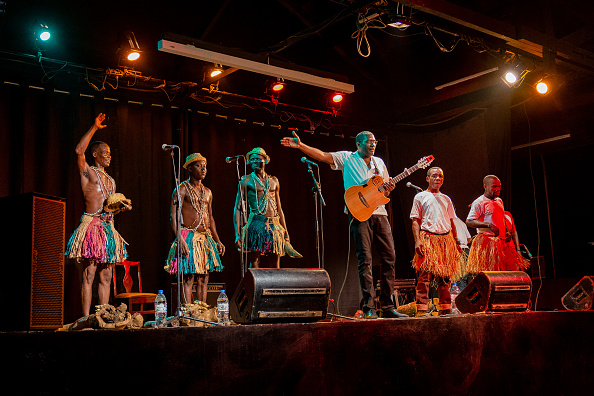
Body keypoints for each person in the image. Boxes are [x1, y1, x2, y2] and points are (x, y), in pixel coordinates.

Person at [281, 131, 407, 319]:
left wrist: (389, 189)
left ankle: (388, 307)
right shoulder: (347, 158)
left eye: (375, 142)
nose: (373, 145)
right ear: (358, 144)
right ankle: (369, 308)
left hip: (380, 213)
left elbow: (385, 193)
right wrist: (301, 146)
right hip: (359, 214)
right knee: (365, 261)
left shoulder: (379, 162)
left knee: (390, 258)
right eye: (369, 142)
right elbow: (323, 156)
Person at [65, 113, 132, 317]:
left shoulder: (111, 180)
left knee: (106, 276)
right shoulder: (88, 172)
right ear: (95, 154)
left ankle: (102, 317)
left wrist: (122, 206)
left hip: (108, 228)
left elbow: (109, 207)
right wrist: (94, 127)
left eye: (110, 153)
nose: (108, 155)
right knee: (89, 273)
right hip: (91, 225)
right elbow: (78, 150)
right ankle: (86, 318)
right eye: (105, 152)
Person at [165, 153, 225, 305]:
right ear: (190, 169)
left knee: (204, 277)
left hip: (205, 238)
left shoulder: (208, 192)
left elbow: (210, 218)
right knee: (189, 276)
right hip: (188, 236)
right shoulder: (182, 189)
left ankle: (202, 311)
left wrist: (218, 241)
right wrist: (180, 239)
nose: (203, 169)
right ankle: (188, 311)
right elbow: (174, 217)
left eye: (204, 166)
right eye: (199, 166)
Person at [410, 167, 463, 316]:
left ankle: (445, 309)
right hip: (428, 237)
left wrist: (456, 242)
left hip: (446, 239)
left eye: (440, 176)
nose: (438, 178)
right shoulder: (420, 196)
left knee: (445, 277)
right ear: (427, 178)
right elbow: (415, 221)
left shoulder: (446, 199)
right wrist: (417, 241)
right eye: (434, 176)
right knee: (424, 276)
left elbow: (451, 222)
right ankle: (422, 310)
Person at [234, 147, 299, 269]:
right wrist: (238, 234)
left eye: (257, 159)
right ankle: (254, 287)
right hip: (256, 223)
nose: (254, 161)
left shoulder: (274, 180)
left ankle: (274, 288)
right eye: (252, 159)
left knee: (274, 261)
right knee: (254, 261)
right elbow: (237, 208)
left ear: (265, 160)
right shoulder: (245, 180)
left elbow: (279, 208)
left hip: (274, 224)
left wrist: (285, 231)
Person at [465, 175, 529, 274]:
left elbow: (502, 218)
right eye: (494, 186)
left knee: (511, 271)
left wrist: (506, 230)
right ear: (485, 186)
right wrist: (488, 225)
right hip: (489, 243)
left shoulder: (499, 201)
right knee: (494, 274)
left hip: (503, 243)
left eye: (499, 186)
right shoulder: (479, 202)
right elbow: (469, 221)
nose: (498, 189)